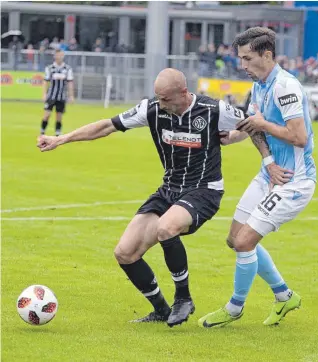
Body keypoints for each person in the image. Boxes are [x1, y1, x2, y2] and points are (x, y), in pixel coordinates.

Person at [37, 68, 285, 328]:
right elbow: (106, 126)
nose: (161, 104)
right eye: (158, 98)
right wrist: (62, 138)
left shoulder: (213, 110)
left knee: (166, 228)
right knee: (125, 252)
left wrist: (248, 147)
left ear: (183, 93)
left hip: (204, 190)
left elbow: (252, 126)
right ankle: (161, 310)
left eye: (166, 98)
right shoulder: (151, 109)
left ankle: (184, 298)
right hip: (169, 190)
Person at [198, 27, 316, 328]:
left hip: (293, 181)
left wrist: (262, 124)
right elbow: (255, 127)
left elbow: (299, 137)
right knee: (234, 239)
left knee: (245, 242)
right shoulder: (260, 85)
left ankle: (234, 308)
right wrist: (234, 135)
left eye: (248, 59)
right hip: (270, 174)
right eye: (240, 59)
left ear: (267, 55)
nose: (243, 66)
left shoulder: (284, 87)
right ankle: (285, 295)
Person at [41, 50, 74, 136]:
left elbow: (70, 82)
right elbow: (45, 81)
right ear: (55, 56)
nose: (59, 57)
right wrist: (44, 94)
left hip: (61, 96)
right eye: (58, 55)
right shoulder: (50, 68)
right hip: (51, 96)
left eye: (61, 55)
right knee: (47, 115)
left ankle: (57, 133)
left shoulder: (67, 69)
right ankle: (42, 131)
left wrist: (71, 96)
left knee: (59, 116)